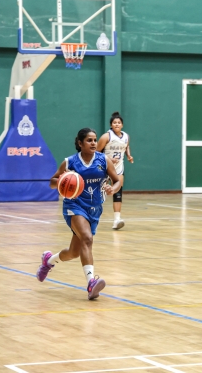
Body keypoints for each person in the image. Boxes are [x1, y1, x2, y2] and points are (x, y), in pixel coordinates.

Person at [36, 128, 121, 299]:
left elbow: (118, 180)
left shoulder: (103, 160)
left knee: (74, 252)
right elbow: (52, 182)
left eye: (95, 140)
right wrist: (63, 179)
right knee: (87, 238)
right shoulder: (70, 162)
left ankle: (49, 260)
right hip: (74, 206)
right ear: (80, 143)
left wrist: (112, 188)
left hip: (94, 208)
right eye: (89, 140)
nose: (93, 143)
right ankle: (91, 283)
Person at [97, 111, 133, 230]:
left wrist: (128, 155)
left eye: (119, 122)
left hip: (119, 167)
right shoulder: (106, 136)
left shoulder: (126, 136)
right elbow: (96, 152)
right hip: (104, 167)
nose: (117, 124)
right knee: (98, 191)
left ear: (122, 125)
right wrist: (108, 159)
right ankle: (91, 215)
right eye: (114, 122)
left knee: (118, 191)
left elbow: (126, 146)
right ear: (111, 125)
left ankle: (117, 220)